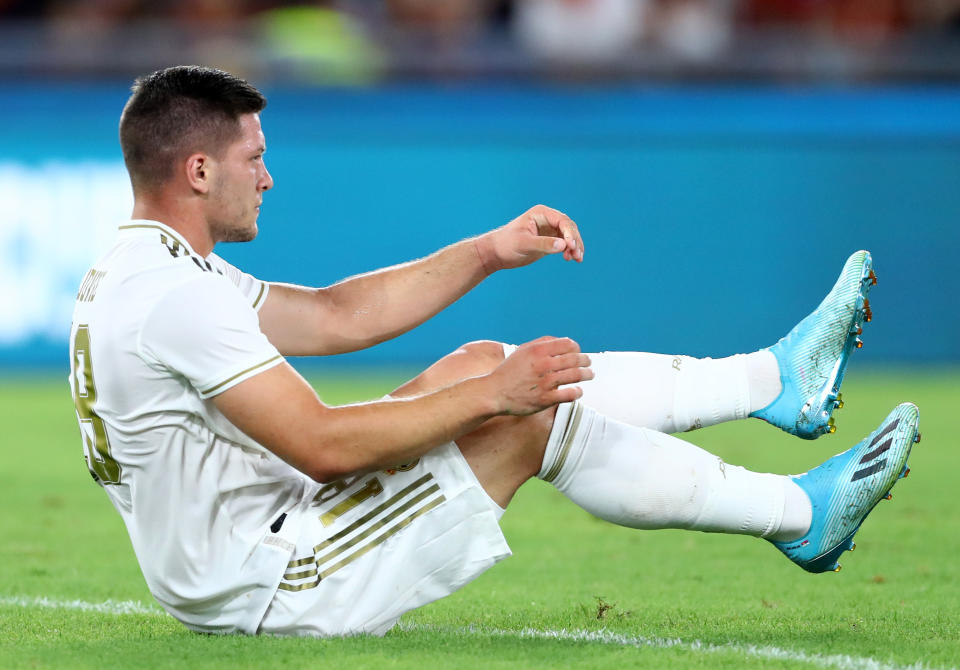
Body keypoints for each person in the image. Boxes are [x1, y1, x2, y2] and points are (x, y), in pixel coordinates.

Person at [68, 65, 919, 638]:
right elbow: (322, 448)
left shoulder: (157, 268)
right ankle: (802, 516)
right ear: (198, 171)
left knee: (479, 361)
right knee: (519, 417)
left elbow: (332, 317)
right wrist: (497, 398)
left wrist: (486, 251)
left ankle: (774, 382)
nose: (269, 177)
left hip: (252, 538)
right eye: (254, 158)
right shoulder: (177, 297)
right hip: (271, 577)